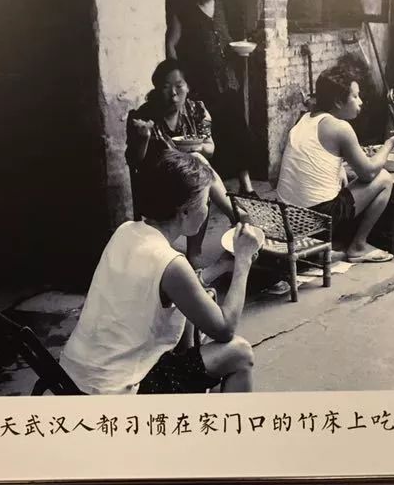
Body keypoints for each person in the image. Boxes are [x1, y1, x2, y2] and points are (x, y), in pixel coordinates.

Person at [59, 150, 265, 395]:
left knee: (196, 313)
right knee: (239, 353)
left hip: (76, 374)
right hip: (113, 390)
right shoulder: (171, 263)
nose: (207, 209)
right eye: (205, 203)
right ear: (185, 211)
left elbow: (166, 286)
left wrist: (222, 265)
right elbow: (224, 329)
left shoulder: (127, 231)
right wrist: (242, 262)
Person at [277, 64, 394, 263]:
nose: (360, 102)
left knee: (344, 175)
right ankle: (358, 246)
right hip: (317, 219)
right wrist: (389, 144)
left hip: (287, 216)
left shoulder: (304, 119)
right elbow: (369, 173)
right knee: (384, 179)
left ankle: (331, 244)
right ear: (338, 101)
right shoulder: (340, 128)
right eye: (355, 96)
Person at [125, 59, 244, 262]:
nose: (173, 94)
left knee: (198, 169)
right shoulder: (144, 115)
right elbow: (134, 162)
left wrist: (197, 147)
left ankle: (194, 253)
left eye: (179, 86)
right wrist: (143, 138)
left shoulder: (197, 110)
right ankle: (236, 215)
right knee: (198, 171)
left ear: (188, 87)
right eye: (166, 87)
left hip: (189, 178)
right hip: (156, 183)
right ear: (157, 89)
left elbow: (210, 149)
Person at [166, 0, 257, 197]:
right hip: (201, 84)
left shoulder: (223, 8)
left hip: (228, 81)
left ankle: (246, 186)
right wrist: (179, 76)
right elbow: (171, 44)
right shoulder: (184, 12)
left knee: (238, 129)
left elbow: (229, 39)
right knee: (206, 134)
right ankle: (211, 191)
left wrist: (239, 50)